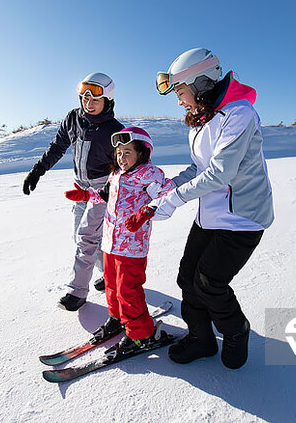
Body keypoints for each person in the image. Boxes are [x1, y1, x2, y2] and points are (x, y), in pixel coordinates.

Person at [143, 47, 274, 369]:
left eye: (181, 92)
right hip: (210, 215)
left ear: (201, 83)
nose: (179, 100)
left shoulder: (239, 114)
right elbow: (199, 168)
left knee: (210, 282)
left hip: (243, 217)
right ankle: (201, 338)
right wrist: (168, 186)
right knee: (187, 278)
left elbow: (221, 173)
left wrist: (173, 201)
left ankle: (235, 330)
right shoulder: (203, 121)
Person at [64, 127, 175, 352]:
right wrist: (87, 195)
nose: (121, 158)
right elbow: (104, 196)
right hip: (111, 243)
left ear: (142, 153)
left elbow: (168, 193)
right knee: (112, 286)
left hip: (132, 247)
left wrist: (146, 211)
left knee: (128, 291)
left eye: (127, 152)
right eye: (119, 153)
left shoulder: (149, 174)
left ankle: (142, 335)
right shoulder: (115, 175)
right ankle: (117, 319)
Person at [23, 73, 123, 311]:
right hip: (81, 189)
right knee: (80, 236)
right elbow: (58, 147)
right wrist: (38, 170)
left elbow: (125, 164)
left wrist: (112, 187)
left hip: (101, 190)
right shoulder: (73, 119)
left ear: (107, 101)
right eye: (85, 97)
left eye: (95, 99)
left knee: (86, 238)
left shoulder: (115, 130)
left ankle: (78, 291)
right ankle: (110, 275)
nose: (89, 103)